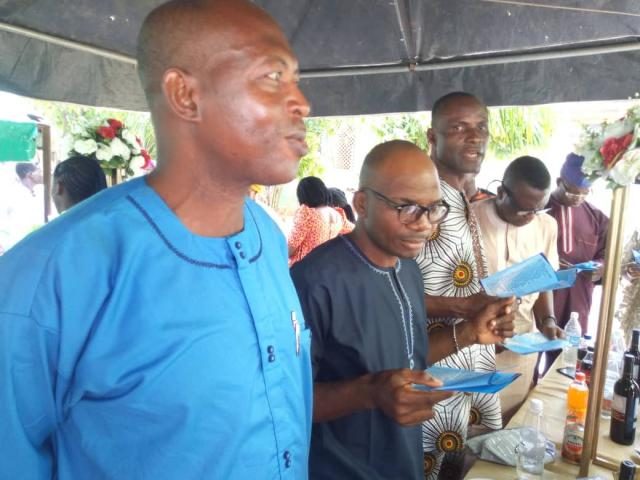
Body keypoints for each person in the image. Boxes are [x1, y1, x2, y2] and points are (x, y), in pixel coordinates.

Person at [0, 1, 313, 479]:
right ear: (185, 95)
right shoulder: (54, 274)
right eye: (272, 76)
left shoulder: (267, 238)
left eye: (295, 78)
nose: (302, 102)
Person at [291, 140, 515, 480]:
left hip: (402, 463)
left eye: (434, 209)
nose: (425, 224)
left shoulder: (407, 268)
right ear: (362, 203)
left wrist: (470, 333)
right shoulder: (314, 282)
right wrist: (368, 392)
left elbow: (408, 360)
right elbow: (284, 401)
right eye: (407, 208)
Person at [415, 91, 504, 478]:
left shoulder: (466, 198)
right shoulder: (420, 196)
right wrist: (463, 308)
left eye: (481, 127)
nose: (475, 137)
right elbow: (386, 292)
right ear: (432, 138)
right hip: (431, 373)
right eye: (459, 128)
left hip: (471, 368)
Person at [472, 155, 564, 420]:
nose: (531, 217)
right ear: (501, 192)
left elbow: (544, 278)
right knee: (472, 433)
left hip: (520, 351)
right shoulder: (471, 220)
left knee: (513, 425)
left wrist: (547, 319)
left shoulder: (547, 226)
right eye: (524, 211)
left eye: (539, 209)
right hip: (475, 347)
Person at [543, 153, 609, 373]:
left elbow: (607, 253)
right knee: (534, 351)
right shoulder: (540, 207)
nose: (578, 198)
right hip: (544, 295)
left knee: (569, 357)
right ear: (559, 182)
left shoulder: (597, 217)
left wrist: (600, 267)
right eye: (572, 191)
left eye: (585, 193)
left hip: (579, 296)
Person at [288, 176, 354, 265]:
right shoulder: (338, 215)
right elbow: (354, 231)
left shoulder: (307, 214)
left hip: (301, 271)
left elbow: (289, 249)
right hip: (323, 271)